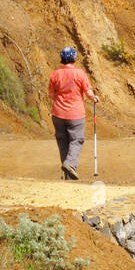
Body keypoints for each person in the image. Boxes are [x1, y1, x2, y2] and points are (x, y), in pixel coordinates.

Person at [47, 47, 98, 180]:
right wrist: (94, 98)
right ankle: (70, 165)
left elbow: (51, 94)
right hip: (75, 114)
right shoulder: (80, 74)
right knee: (76, 140)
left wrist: (61, 99)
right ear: (74, 58)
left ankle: (67, 173)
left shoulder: (55, 74)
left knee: (62, 141)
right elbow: (88, 92)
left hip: (57, 114)